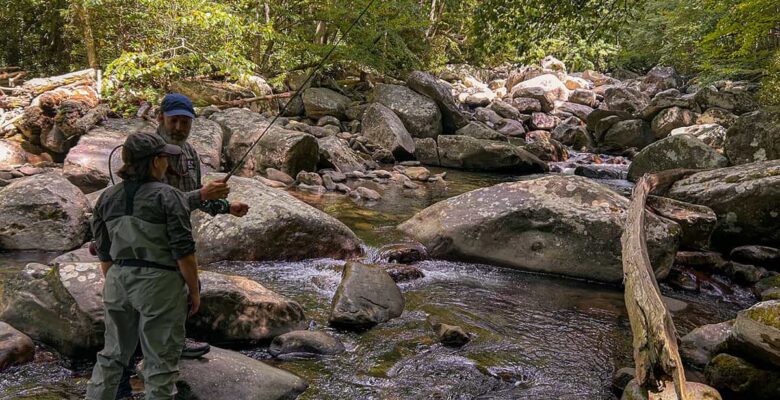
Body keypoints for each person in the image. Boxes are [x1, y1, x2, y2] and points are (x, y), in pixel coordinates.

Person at [86, 133, 199, 400]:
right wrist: (194, 290)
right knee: (160, 361)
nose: (167, 163)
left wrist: (119, 283)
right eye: (164, 157)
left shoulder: (106, 197)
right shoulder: (169, 196)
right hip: (160, 283)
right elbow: (184, 252)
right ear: (155, 161)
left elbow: (104, 253)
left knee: (112, 356)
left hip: (117, 280)